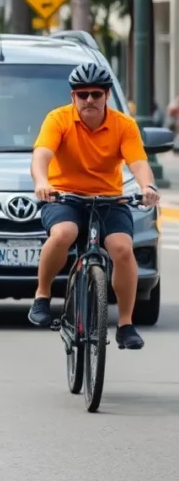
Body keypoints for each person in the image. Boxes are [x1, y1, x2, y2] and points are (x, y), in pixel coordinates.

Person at [28, 62, 160, 349]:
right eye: (82, 94)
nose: (89, 99)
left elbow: (139, 164)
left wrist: (147, 187)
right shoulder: (58, 119)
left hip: (109, 199)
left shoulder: (123, 125)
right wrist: (42, 182)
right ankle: (42, 295)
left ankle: (125, 324)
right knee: (63, 234)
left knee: (123, 249)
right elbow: (42, 156)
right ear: (73, 96)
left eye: (96, 94)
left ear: (107, 96)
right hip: (65, 196)